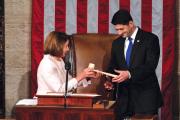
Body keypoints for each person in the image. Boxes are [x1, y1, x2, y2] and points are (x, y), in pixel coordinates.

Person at [104, 9, 163, 120]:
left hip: (145, 100)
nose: (119, 33)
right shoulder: (117, 43)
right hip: (124, 102)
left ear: (131, 24)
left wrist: (129, 74)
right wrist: (109, 79)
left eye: (122, 29)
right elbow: (113, 66)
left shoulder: (150, 39)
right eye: (117, 29)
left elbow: (150, 66)